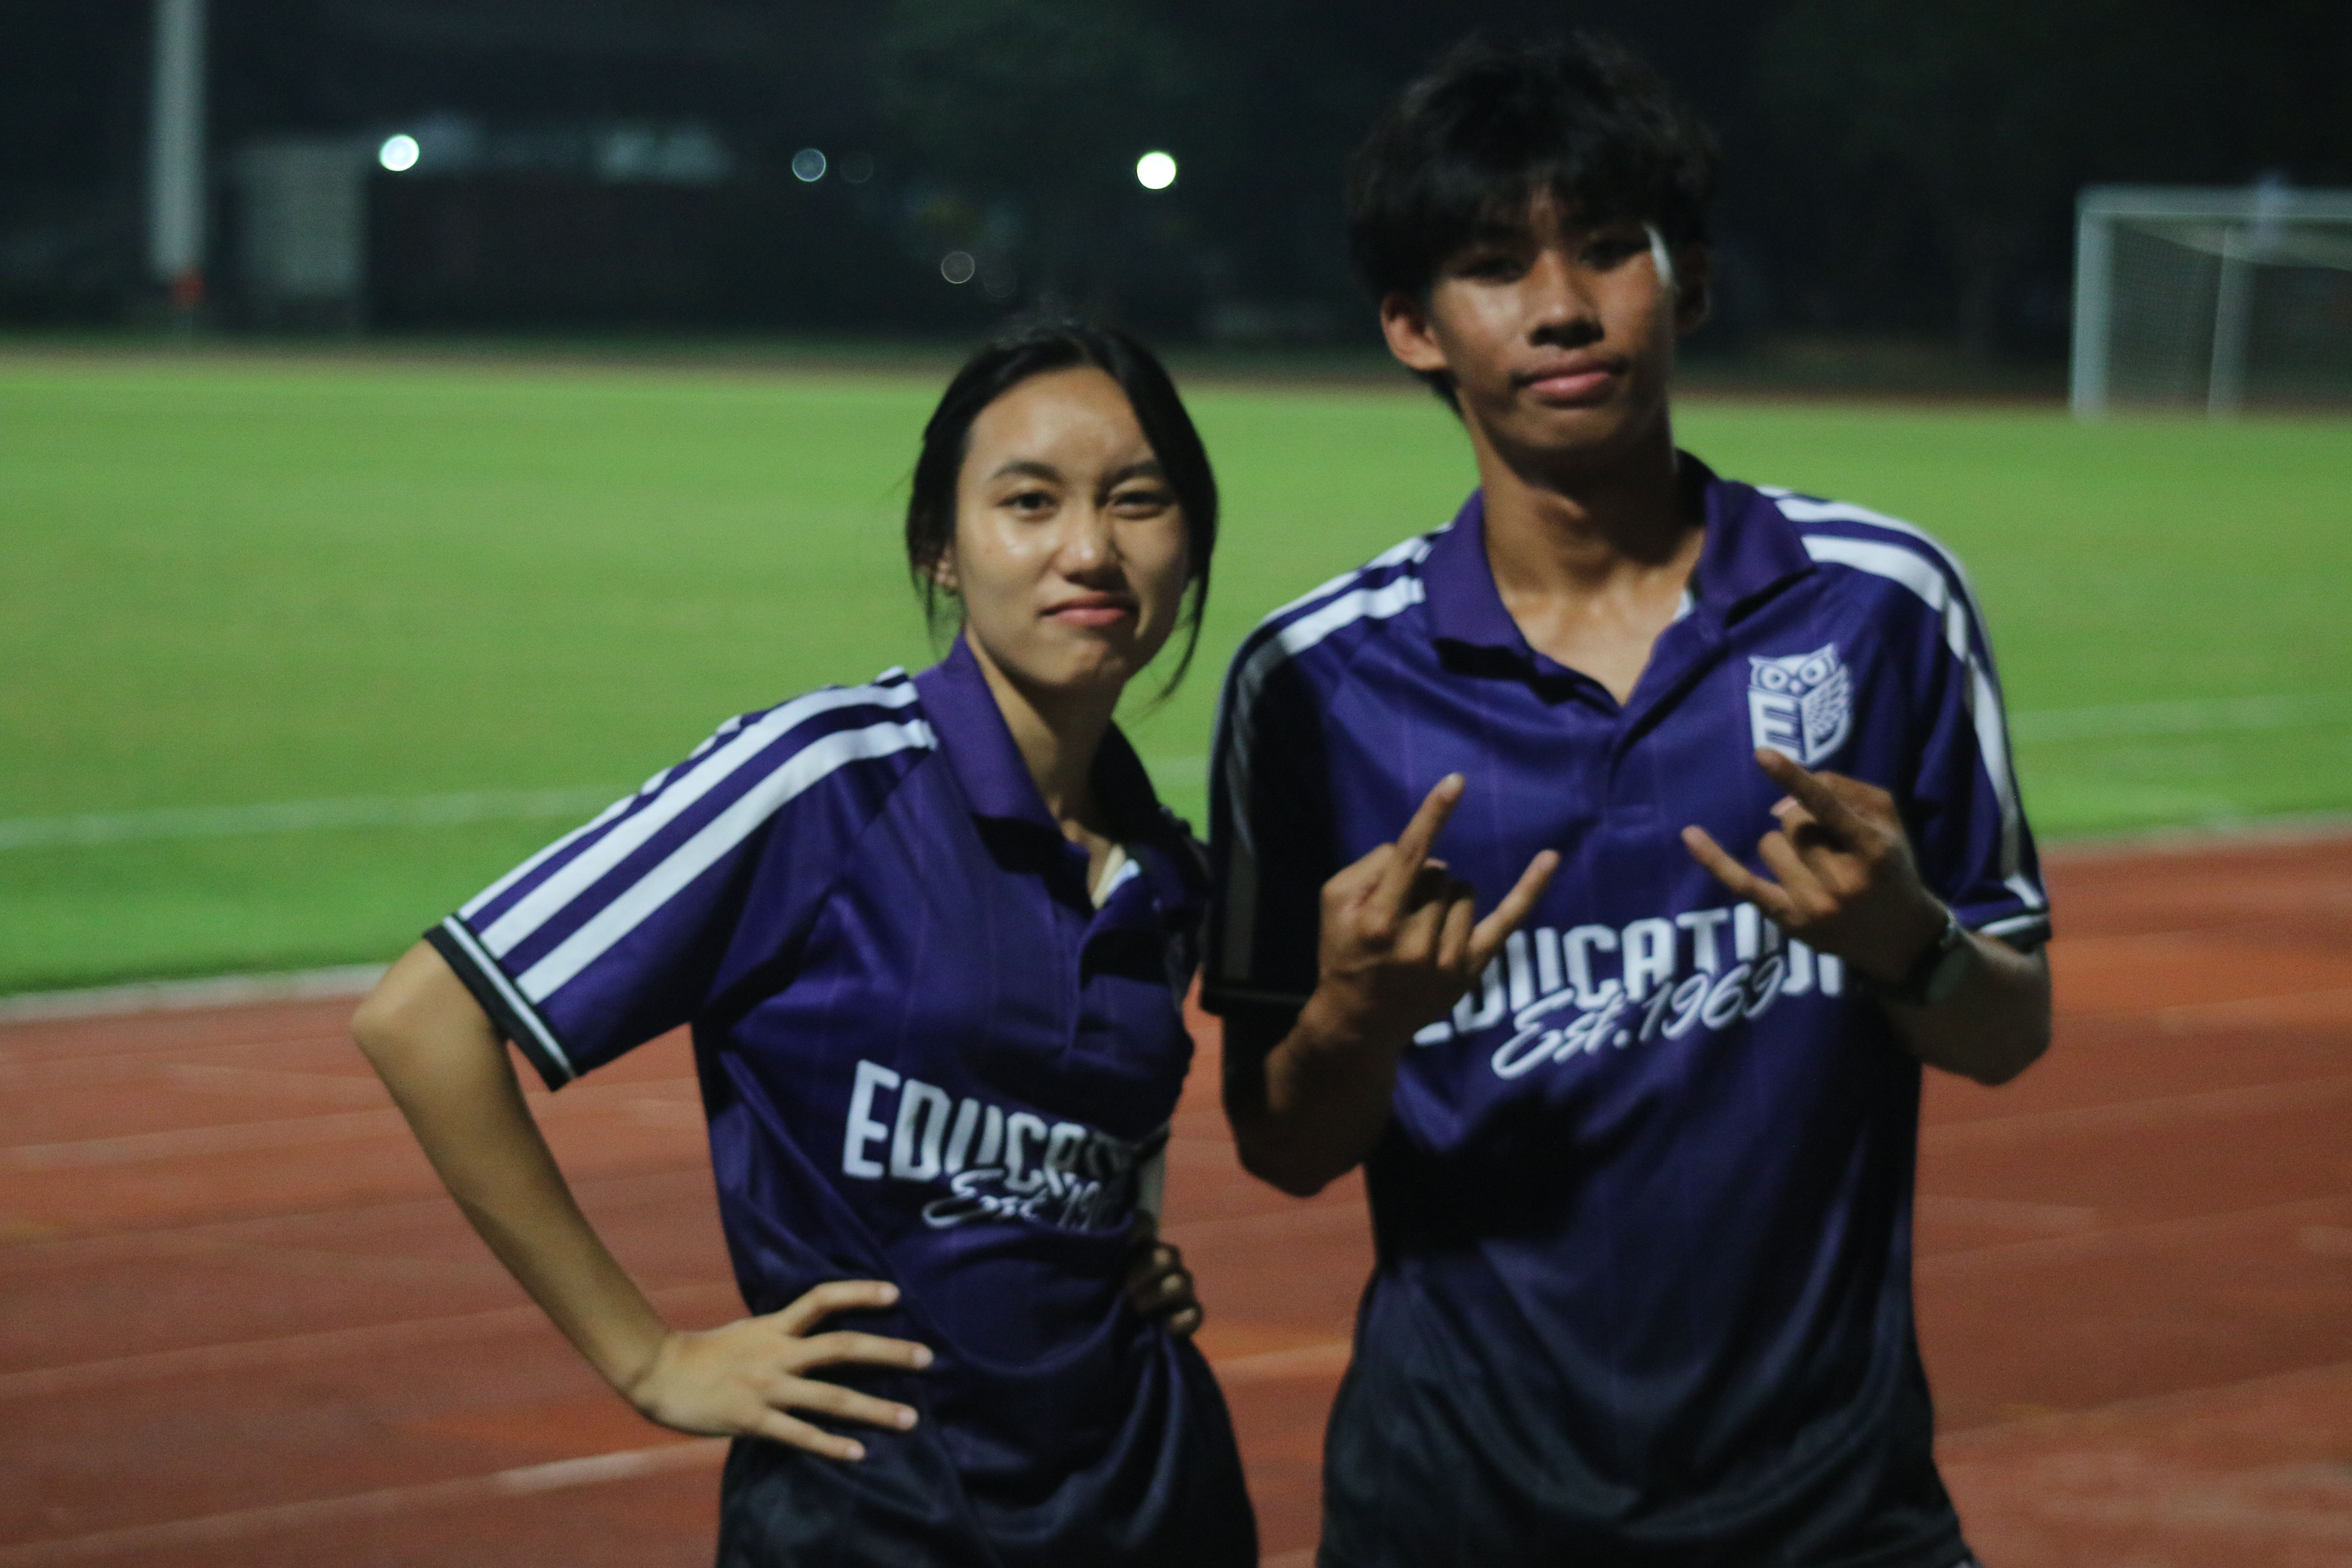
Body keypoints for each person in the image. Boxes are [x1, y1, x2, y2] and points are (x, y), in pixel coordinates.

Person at [1204, 33, 2053, 1568]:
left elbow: (2009, 1031)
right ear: (1412, 326)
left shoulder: (1879, 607)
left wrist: (1909, 941)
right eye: (1492, 266)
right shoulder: (1316, 684)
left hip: (1829, 1515)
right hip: (1453, 1517)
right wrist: (1357, 1021)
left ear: (1691, 280)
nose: (1563, 308)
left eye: (1607, 248)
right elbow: (1283, 1142)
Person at [353, 320, 1256, 1568]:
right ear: (942, 548)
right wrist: (651, 1361)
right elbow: (423, 1018)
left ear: (1191, 542)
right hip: (873, 1521)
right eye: (1030, 502)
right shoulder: (824, 780)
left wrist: (1123, 1247)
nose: (1090, 549)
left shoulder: (1171, 878)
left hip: (1152, 1504)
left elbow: (1096, 1150)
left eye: (1138, 502)